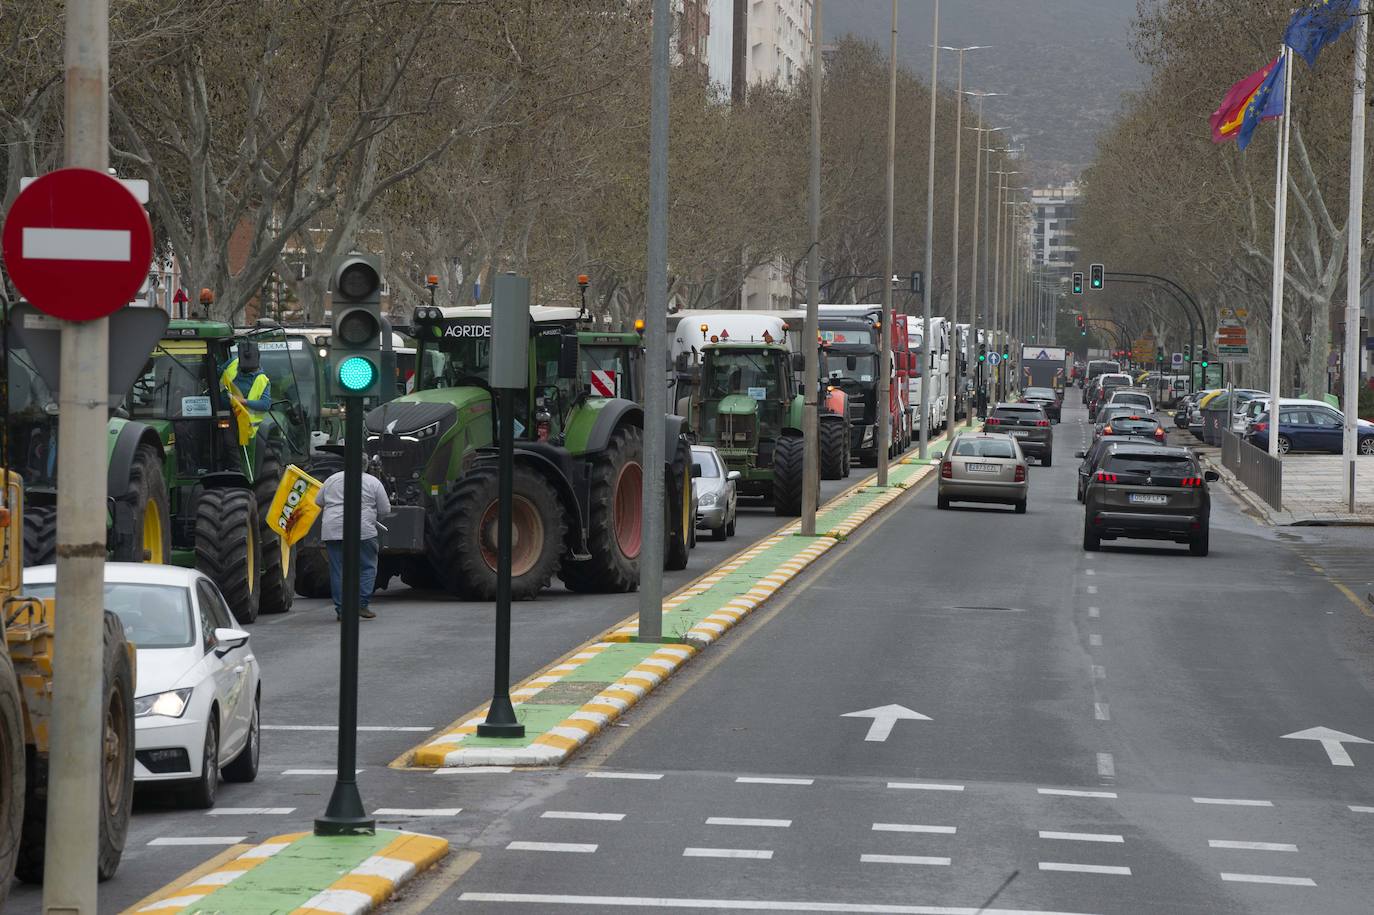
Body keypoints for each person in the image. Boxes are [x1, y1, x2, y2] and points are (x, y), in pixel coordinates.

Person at [314, 467, 391, 621]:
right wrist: (374, 517)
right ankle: (361, 604)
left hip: (333, 529)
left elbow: (318, 501)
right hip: (363, 530)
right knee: (367, 567)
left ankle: (342, 610)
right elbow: (385, 509)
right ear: (366, 465)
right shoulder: (373, 482)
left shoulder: (331, 479)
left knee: (338, 570)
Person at [220, 339, 272, 437]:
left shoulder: (262, 380)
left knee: (232, 447)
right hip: (218, 412)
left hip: (243, 426)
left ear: (257, 358)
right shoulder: (231, 363)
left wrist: (243, 401)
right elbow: (215, 374)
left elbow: (266, 404)